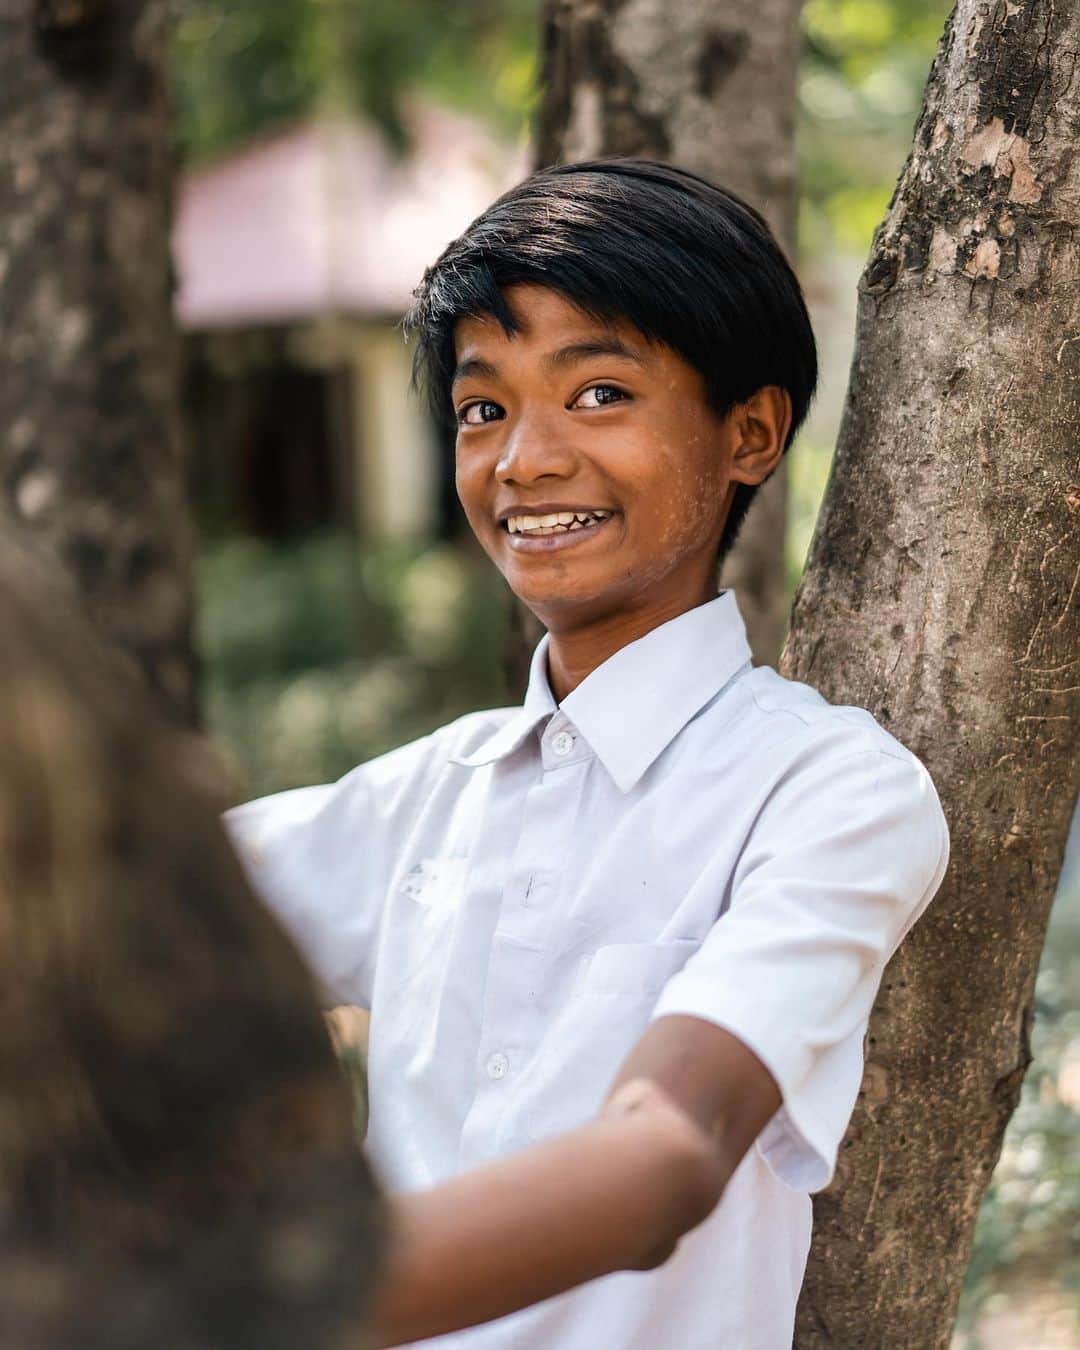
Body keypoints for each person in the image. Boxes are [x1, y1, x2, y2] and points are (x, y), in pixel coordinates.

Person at [224, 158, 950, 1350]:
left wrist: (243, 1309)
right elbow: (104, 907)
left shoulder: (829, 792)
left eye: (599, 393)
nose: (524, 462)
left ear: (751, 433)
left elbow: (664, 1157)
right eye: (482, 408)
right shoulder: (416, 802)